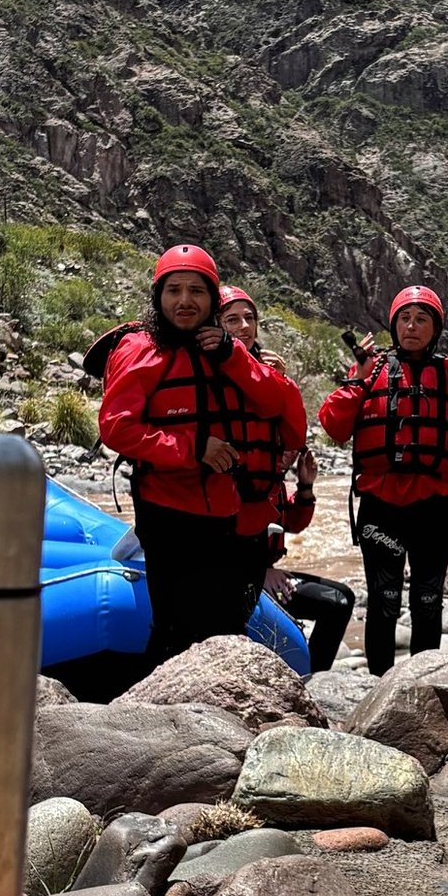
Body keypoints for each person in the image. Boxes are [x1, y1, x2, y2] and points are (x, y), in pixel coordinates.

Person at [95, 244, 296, 669]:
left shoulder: (224, 348)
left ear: (212, 299)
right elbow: (116, 427)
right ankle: (160, 720)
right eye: (173, 291)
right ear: (158, 297)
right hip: (167, 509)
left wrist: (232, 355)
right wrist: (193, 448)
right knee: (174, 626)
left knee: (223, 626)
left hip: (226, 510)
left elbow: (276, 402)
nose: (184, 301)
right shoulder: (139, 348)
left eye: (196, 292)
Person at [319, 284, 448, 676]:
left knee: (427, 599)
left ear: (435, 329)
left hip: (433, 509)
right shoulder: (370, 371)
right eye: (405, 318)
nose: (411, 325)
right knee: (384, 600)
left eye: (422, 319)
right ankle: (378, 686)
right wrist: (357, 377)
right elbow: (333, 426)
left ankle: (422, 683)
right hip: (380, 508)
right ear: (393, 324)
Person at [216, 284, 355, 671]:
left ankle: (312, 683)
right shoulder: (213, 387)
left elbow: (290, 521)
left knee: (342, 598)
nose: (244, 326)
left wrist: (306, 487)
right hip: (239, 566)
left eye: (250, 318)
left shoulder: (271, 385)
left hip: (262, 562)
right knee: (334, 604)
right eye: (232, 320)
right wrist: (261, 571)